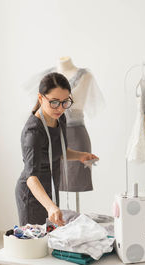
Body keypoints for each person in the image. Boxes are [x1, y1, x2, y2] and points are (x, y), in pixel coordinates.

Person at [15, 72, 98, 227]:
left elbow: (59, 151)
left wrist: (81, 156)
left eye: (65, 102)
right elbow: (31, 178)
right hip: (33, 196)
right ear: (40, 98)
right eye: (54, 102)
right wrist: (50, 206)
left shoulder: (60, 118)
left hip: (51, 189)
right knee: (36, 244)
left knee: (53, 240)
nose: (60, 108)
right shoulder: (33, 132)